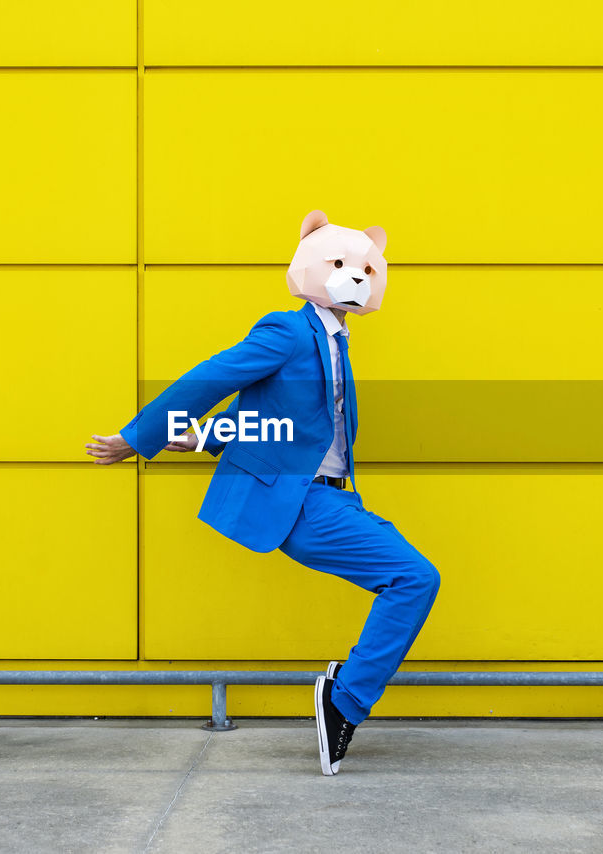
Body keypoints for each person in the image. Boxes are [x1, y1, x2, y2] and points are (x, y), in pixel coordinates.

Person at [84, 210, 440, 776]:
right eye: (341, 265)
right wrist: (138, 437)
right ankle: (343, 702)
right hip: (302, 505)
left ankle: (341, 693)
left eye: (364, 268)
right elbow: (212, 377)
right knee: (414, 578)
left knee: (408, 578)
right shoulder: (287, 330)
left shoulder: (337, 342)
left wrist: (206, 438)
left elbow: (280, 425)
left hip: (335, 498)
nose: (355, 276)